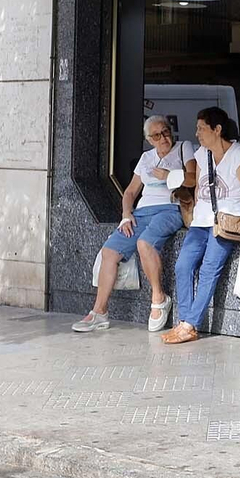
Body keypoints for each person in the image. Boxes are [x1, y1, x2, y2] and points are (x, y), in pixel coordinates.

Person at [72, 115, 194, 334]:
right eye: (157, 135)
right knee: (109, 252)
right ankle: (99, 312)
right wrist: (126, 214)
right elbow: (130, 192)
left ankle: (159, 297)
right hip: (141, 211)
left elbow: (193, 178)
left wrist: (169, 175)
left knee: (145, 243)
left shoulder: (184, 148)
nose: (163, 138)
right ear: (149, 139)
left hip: (170, 208)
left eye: (166, 132)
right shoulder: (146, 158)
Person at [161, 106, 240, 345]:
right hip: (200, 222)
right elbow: (196, 184)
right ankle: (186, 322)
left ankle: (189, 325)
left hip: (226, 222)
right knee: (183, 266)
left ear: (217, 129)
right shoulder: (201, 155)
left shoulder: (238, 155)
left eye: (201, 128)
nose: (197, 133)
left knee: (208, 271)